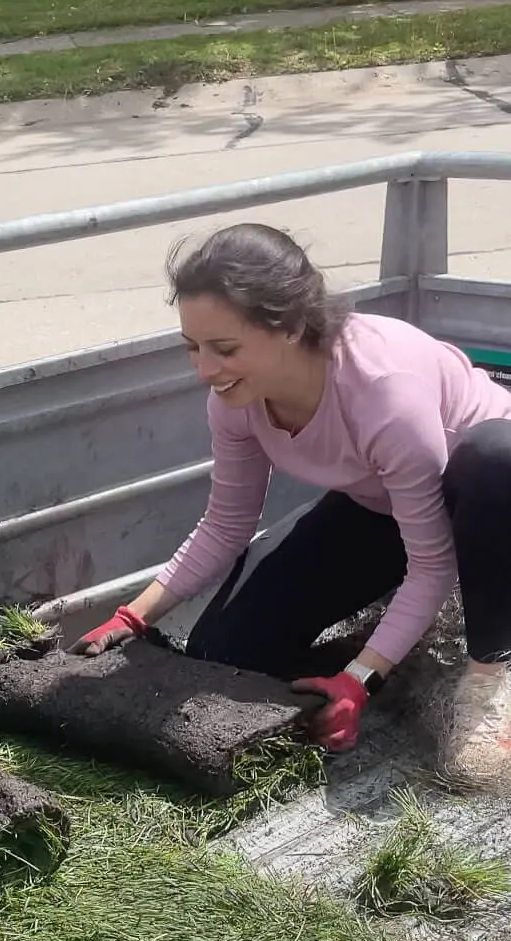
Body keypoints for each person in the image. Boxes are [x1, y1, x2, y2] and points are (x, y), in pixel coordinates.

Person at [73, 222, 511, 788]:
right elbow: (226, 524)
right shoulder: (235, 401)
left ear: (292, 326)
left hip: (492, 503)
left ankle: (490, 671)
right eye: (193, 349)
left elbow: (432, 564)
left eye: (224, 349)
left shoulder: (384, 393)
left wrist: (358, 683)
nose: (206, 370)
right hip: (386, 505)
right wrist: (135, 614)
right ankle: (392, 650)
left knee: (494, 457)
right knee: (223, 649)